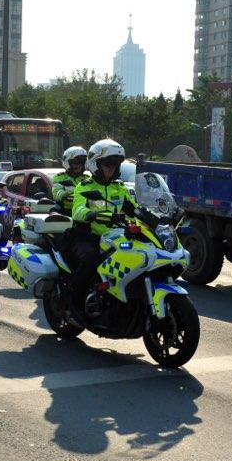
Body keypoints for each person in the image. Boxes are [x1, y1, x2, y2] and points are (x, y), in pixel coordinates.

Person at [67, 139, 138, 326]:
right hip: (88, 236)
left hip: (114, 237)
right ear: (96, 164)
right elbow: (77, 211)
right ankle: (74, 308)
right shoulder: (85, 186)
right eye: (108, 164)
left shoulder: (120, 188)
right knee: (90, 260)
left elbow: (135, 210)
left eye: (115, 164)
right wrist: (93, 214)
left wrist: (156, 217)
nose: (111, 168)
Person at [51, 146, 88, 211]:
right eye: (76, 162)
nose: (79, 165)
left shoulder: (87, 178)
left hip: (85, 210)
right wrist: (64, 195)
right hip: (66, 210)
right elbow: (56, 192)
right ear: (68, 163)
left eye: (82, 162)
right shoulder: (60, 177)